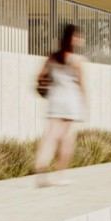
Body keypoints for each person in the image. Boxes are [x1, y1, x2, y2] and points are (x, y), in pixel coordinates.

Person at [35, 24, 87, 186]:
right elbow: (81, 84)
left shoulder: (52, 57)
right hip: (71, 102)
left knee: (50, 136)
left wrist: (46, 88)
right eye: (78, 36)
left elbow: (40, 77)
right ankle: (60, 175)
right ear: (73, 39)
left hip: (55, 100)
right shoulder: (77, 61)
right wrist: (84, 104)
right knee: (67, 139)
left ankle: (41, 168)